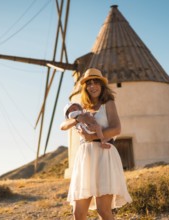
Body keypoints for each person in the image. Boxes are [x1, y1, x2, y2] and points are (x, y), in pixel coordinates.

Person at [60, 68, 132, 220]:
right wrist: (78, 119)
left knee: (103, 210)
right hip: (85, 157)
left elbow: (116, 129)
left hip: (104, 155)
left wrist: (91, 137)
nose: (92, 86)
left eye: (96, 82)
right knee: (78, 213)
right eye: (89, 83)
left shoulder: (108, 103)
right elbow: (63, 126)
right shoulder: (81, 108)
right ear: (85, 87)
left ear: (102, 85)